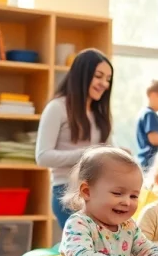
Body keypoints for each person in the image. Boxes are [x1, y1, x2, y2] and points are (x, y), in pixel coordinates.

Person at [35, 48, 115, 229]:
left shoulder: (99, 114)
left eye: (108, 79)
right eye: (98, 76)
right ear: (82, 75)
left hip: (97, 193)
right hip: (67, 192)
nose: (104, 84)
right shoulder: (57, 108)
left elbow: (107, 150)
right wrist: (88, 154)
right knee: (82, 246)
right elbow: (42, 156)